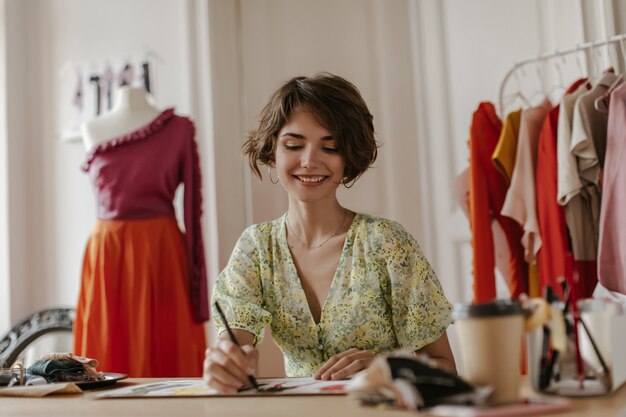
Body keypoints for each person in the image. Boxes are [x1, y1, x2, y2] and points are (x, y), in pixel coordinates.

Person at [204, 73, 455, 393]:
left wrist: (390, 369)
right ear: (271, 152)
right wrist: (226, 364)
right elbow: (233, 342)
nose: (309, 161)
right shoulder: (257, 248)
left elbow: (445, 366)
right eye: (294, 145)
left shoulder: (387, 244)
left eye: (330, 146)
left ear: (348, 156)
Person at [75, 86, 208, 377]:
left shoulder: (179, 130)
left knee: (167, 349)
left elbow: (193, 208)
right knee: (107, 349)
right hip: (108, 256)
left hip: (161, 253)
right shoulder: (91, 128)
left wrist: (199, 288)